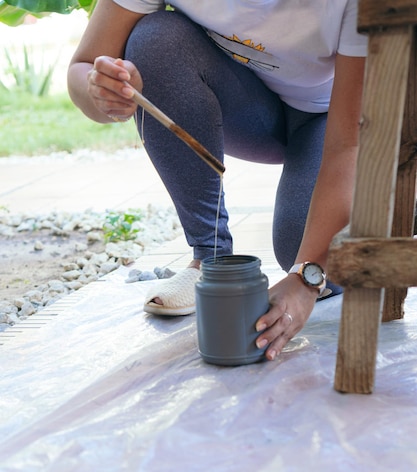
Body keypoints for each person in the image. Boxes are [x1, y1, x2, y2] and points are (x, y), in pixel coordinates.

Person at [67, 0, 368, 361]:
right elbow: (83, 65)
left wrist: (306, 278)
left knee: (305, 254)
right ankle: (208, 258)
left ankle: (397, 201)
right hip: (250, 105)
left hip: (330, 115)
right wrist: (100, 92)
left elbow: (346, 144)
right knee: (155, 41)